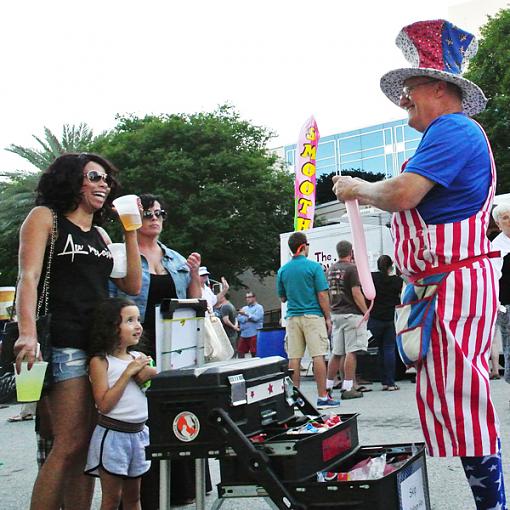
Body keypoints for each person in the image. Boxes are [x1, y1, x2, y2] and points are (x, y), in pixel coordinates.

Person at [333, 20, 506, 508]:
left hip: (454, 283)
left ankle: (493, 505)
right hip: (441, 285)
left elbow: (404, 193)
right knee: (454, 398)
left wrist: (358, 189)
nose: (403, 98)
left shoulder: (454, 128)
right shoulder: (447, 134)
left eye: (410, 88)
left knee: (463, 400)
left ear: (437, 87)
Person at [14, 153, 142, 510]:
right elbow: (28, 277)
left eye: (107, 180)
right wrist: (28, 333)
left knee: (87, 445)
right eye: (95, 177)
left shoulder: (101, 234)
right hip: (65, 341)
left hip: (99, 346)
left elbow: (131, 283)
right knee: (69, 442)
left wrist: (130, 231)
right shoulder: (45, 219)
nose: (104, 184)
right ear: (72, 180)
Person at [110, 193, 210, 508]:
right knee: (145, 414)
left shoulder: (176, 259)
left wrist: (194, 276)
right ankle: (148, 494)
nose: (155, 218)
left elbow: (195, 304)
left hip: (176, 344)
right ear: (135, 218)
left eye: (160, 213)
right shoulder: (122, 256)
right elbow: (112, 304)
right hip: (140, 343)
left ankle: (184, 487)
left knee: (181, 407)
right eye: (149, 213)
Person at [85, 297, 156, 510]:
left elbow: (150, 388)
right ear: (111, 327)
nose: (138, 326)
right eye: (129, 320)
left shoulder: (139, 357)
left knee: (134, 498)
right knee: (111, 498)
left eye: (138, 319)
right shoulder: (100, 362)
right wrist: (128, 373)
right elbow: (104, 405)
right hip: (113, 435)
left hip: (139, 434)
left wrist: (152, 372)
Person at [277, 231, 339, 409]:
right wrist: (328, 317)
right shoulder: (314, 267)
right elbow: (322, 294)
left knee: (294, 358)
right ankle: (322, 397)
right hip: (313, 316)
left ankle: (294, 400)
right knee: (318, 356)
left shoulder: (283, 270)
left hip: (292, 317)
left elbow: (282, 298)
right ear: (303, 246)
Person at [326, 240, 370, 400]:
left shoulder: (331, 269)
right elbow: (356, 292)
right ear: (351, 252)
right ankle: (348, 387)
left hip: (336, 313)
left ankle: (328, 386)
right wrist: (366, 311)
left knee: (336, 353)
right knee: (352, 351)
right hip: (351, 314)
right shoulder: (352, 269)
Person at [367, 255, 403, 391]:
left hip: (375, 318)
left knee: (379, 349)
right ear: (391, 266)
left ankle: (382, 380)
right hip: (389, 318)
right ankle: (390, 382)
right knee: (389, 349)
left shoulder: (372, 278)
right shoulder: (397, 281)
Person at [491, 203, 510, 383]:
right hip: (506, 306)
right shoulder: (496, 247)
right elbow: (493, 278)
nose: (509, 221)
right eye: (505, 218)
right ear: (498, 224)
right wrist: (498, 305)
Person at [237, 291, 264, 358]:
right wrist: (248, 318)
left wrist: (246, 314)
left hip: (254, 333)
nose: (247, 299)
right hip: (244, 333)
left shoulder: (259, 307)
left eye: (249, 297)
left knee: (254, 353)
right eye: (246, 297)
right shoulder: (244, 308)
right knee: (240, 352)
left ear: (254, 298)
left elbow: (256, 318)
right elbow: (239, 318)